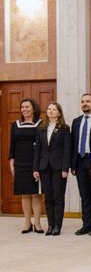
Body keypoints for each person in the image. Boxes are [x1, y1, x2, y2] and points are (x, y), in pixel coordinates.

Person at [33, 102, 72, 236]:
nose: (51, 111)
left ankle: (57, 226)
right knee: (48, 197)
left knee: (58, 197)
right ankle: (50, 224)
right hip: (44, 167)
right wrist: (35, 169)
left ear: (59, 113)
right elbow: (37, 149)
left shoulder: (65, 129)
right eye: (49, 109)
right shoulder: (41, 128)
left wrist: (65, 168)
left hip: (59, 167)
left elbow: (68, 150)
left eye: (54, 109)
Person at [9, 98, 44, 234]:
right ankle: (27, 223)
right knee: (24, 194)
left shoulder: (40, 124)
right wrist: (11, 161)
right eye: (22, 107)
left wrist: (39, 164)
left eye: (27, 107)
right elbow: (12, 145)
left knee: (36, 194)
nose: (24, 109)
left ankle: (38, 223)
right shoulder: (15, 125)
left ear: (34, 109)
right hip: (20, 162)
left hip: (35, 162)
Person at [71, 93, 91, 236]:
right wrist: (72, 164)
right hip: (79, 161)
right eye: (83, 101)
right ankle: (86, 224)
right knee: (84, 195)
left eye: (88, 101)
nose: (85, 104)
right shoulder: (76, 121)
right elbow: (73, 144)